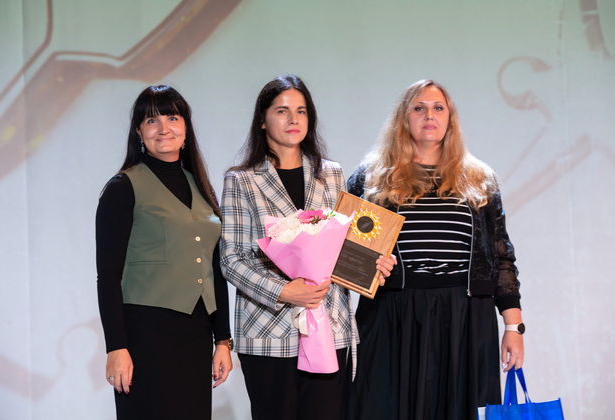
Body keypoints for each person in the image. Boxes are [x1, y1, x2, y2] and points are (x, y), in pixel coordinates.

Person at [346, 79, 524, 420]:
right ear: (403, 118)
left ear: (450, 118)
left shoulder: (479, 179)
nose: (430, 115)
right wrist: (370, 267)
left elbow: (502, 255)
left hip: (464, 316)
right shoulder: (371, 178)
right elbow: (345, 250)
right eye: (419, 108)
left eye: (438, 108)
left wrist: (513, 328)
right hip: (393, 313)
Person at [219, 74, 393, 420]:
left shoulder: (332, 174)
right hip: (268, 331)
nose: (293, 119)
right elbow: (231, 259)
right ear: (263, 120)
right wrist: (284, 291)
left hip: (330, 326)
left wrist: (373, 265)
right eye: (282, 111)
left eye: (301, 111)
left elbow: (343, 246)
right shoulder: (241, 180)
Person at [95, 85, 232, 419]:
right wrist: (116, 346)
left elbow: (215, 269)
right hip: (146, 335)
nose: (163, 128)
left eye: (172, 117)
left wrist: (223, 340)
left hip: (196, 334)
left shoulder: (200, 186)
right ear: (139, 132)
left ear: (185, 128)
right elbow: (108, 276)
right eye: (152, 120)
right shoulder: (122, 188)